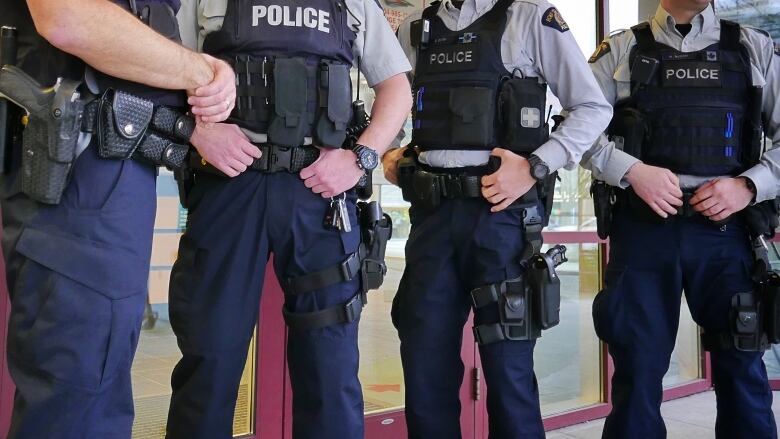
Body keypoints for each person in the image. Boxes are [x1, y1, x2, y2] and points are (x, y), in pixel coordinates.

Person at [166, 0, 411, 438]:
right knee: (209, 357)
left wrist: (361, 159)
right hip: (229, 184)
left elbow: (397, 87)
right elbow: (164, 70)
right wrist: (198, 131)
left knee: (329, 368)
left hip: (320, 193)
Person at [0, 0, 237, 438]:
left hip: (106, 173)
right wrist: (202, 73)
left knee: (95, 389)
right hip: (75, 172)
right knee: (77, 397)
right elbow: (69, 16)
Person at [385, 0, 612, 436]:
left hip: (502, 219)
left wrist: (535, 166)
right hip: (432, 219)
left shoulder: (530, 17)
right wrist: (389, 151)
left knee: (508, 373)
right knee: (423, 365)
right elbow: (390, 103)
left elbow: (592, 107)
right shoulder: (416, 27)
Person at [583, 0, 779, 437]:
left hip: (727, 231)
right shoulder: (622, 50)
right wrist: (630, 171)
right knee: (636, 370)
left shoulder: (751, 47)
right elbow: (575, 130)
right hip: (644, 227)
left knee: (742, 366)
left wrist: (747, 186)